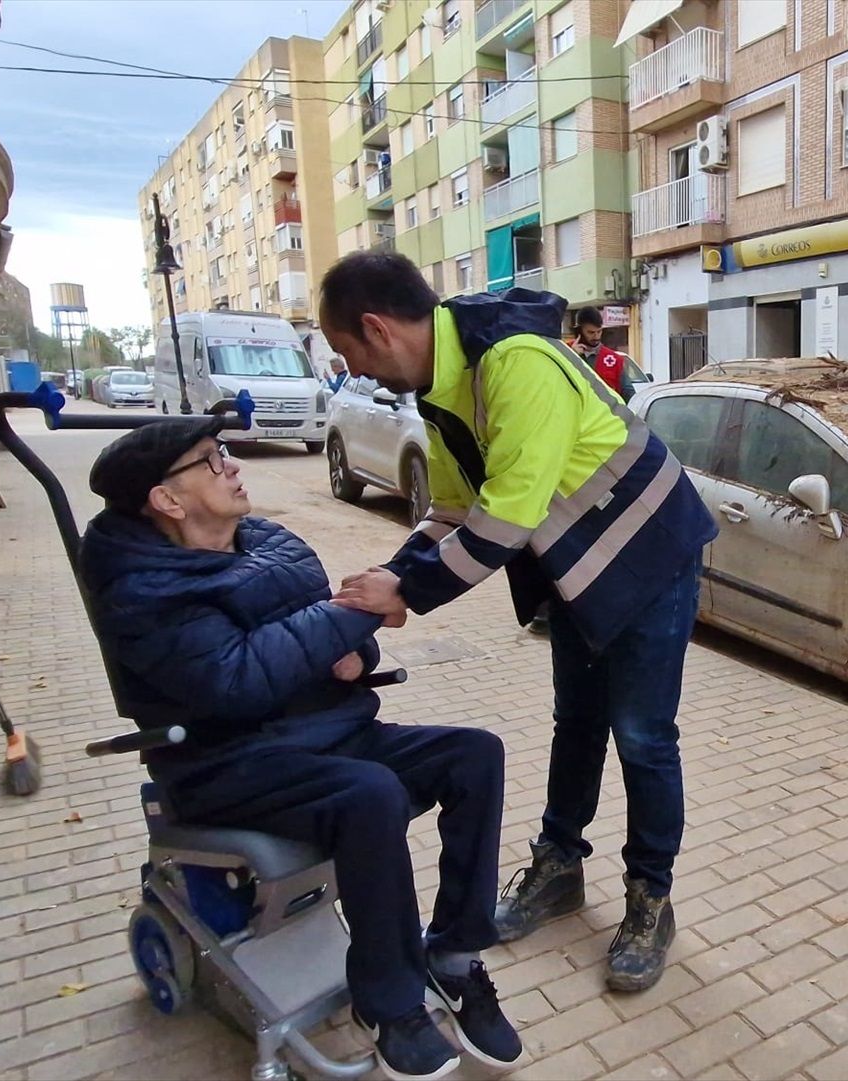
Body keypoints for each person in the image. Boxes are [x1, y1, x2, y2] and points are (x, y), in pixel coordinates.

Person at [317, 252, 717, 992]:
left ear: (376, 328)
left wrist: (407, 592)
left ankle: (650, 898)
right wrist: (390, 578)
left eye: (347, 351)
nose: (354, 372)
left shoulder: (515, 361)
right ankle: (559, 866)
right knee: (577, 722)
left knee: (642, 736)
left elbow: (507, 518)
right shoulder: (442, 391)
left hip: (650, 551)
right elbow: (453, 511)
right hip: (579, 563)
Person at [78, 418, 520, 1080]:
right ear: (166, 499)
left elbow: (325, 630)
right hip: (227, 762)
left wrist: (358, 652)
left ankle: (454, 957)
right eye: (209, 460)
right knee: (371, 793)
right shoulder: (142, 586)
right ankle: (390, 1003)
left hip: (329, 735)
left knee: (474, 755)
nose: (231, 465)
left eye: (224, 451)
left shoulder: (268, 542)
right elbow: (239, 676)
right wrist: (361, 613)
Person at [569, 306, 636, 401]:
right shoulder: (564, 351)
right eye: (591, 332)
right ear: (579, 331)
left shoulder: (614, 359)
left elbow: (629, 394)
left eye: (599, 331)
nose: (596, 337)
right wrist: (571, 356)